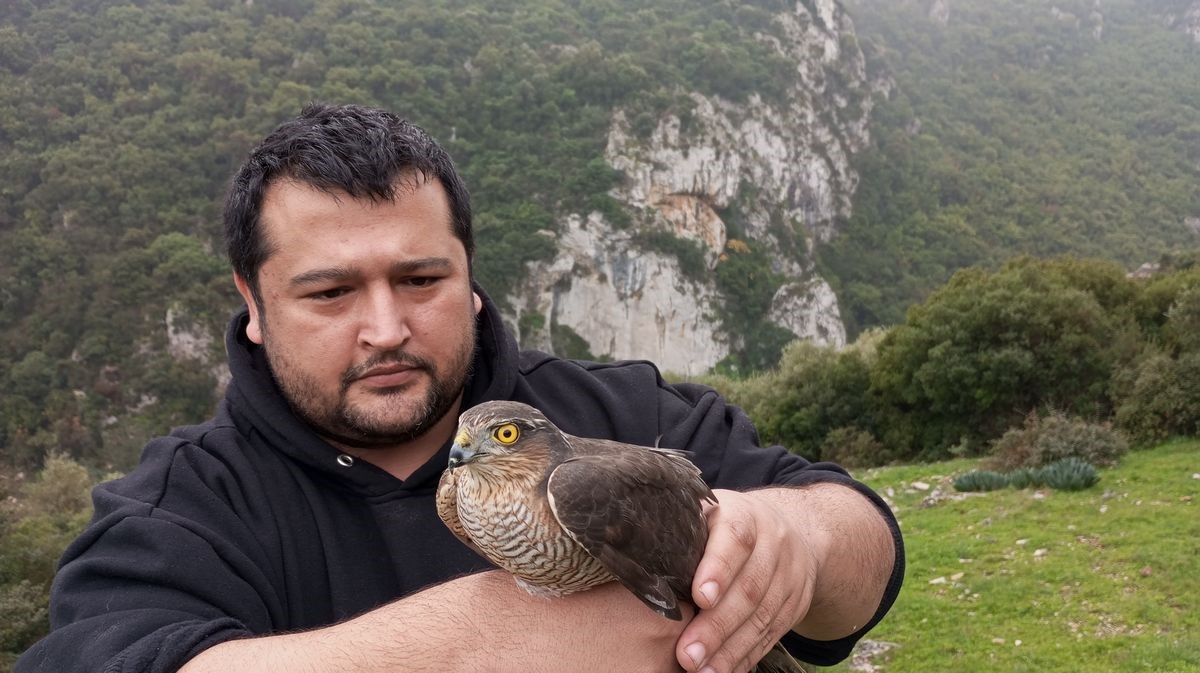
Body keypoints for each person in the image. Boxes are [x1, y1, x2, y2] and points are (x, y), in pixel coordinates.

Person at [17, 103, 903, 673]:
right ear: (253, 303)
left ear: (471, 277)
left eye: (421, 279)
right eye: (329, 293)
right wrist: (486, 637)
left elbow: (860, 543)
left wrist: (800, 538)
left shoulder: (627, 415)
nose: (385, 327)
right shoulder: (182, 507)